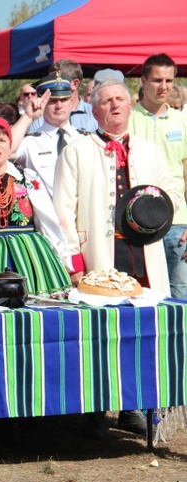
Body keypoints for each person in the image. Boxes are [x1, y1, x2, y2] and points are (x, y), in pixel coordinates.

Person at [53, 79, 180, 436]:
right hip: (101, 257)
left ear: (130, 104)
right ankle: (94, 408)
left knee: (146, 333)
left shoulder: (149, 149)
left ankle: (138, 406)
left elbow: (170, 192)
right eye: (106, 101)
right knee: (100, 336)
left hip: (146, 255)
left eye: (120, 100)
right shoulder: (76, 150)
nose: (115, 106)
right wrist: (74, 266)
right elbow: (63, 210)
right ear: (93, 110)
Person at [0, 117, 71, 300]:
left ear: (10, 146)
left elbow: (48, 220)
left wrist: (63, 259)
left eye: (2, 140)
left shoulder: (27, 177)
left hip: (30, 257)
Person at [129, 53, 187, 300]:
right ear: (143, 81)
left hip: (177, 220)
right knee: (142, 293)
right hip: (136, 221)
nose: (164, 86)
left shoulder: (181, 121)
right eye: (157, 80)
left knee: (180, 293)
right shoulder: (128, 119)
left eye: (168, 80)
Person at [10, 72, 87, 199]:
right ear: (42, 102)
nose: (59, 106)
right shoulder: (31, 141)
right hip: (46, 216)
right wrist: (28, 117)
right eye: (52, 101)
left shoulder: (84, 139)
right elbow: (6, 151)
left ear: (71, 101)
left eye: (64, 100)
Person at [29, 59, 98, 133]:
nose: (52, 84)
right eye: (50, 80)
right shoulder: (40, 116)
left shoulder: (95, 114)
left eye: (57, 80)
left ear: (75, 84)